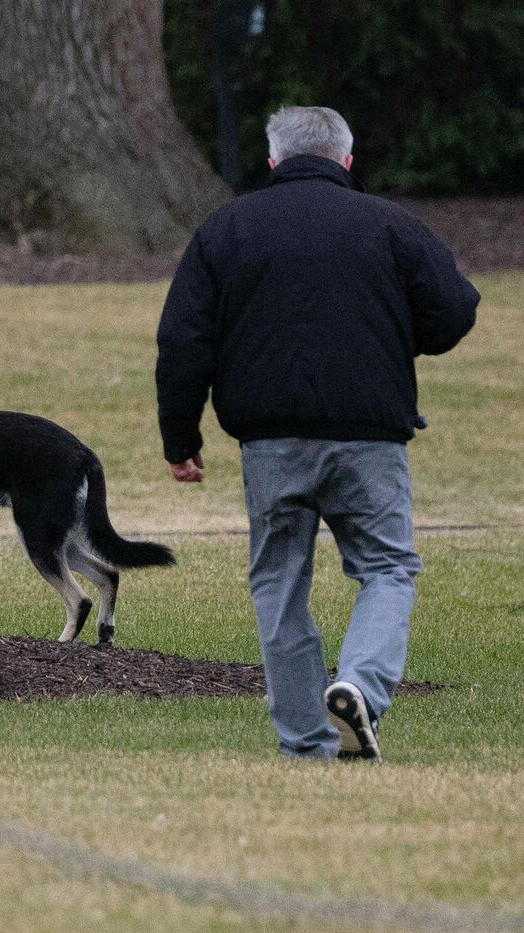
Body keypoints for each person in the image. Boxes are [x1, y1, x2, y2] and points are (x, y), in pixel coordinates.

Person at [155, 106, 480, 760]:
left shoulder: (228, 229)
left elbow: (183, 342)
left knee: (280, 579)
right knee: (387, 565)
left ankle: (306, 743)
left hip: (270, 440)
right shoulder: (389, 224)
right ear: (347, 160)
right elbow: (455, 310)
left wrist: (179, 437)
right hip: (369, 435)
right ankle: (360, 684)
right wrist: (390, 338)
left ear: (273, 161)